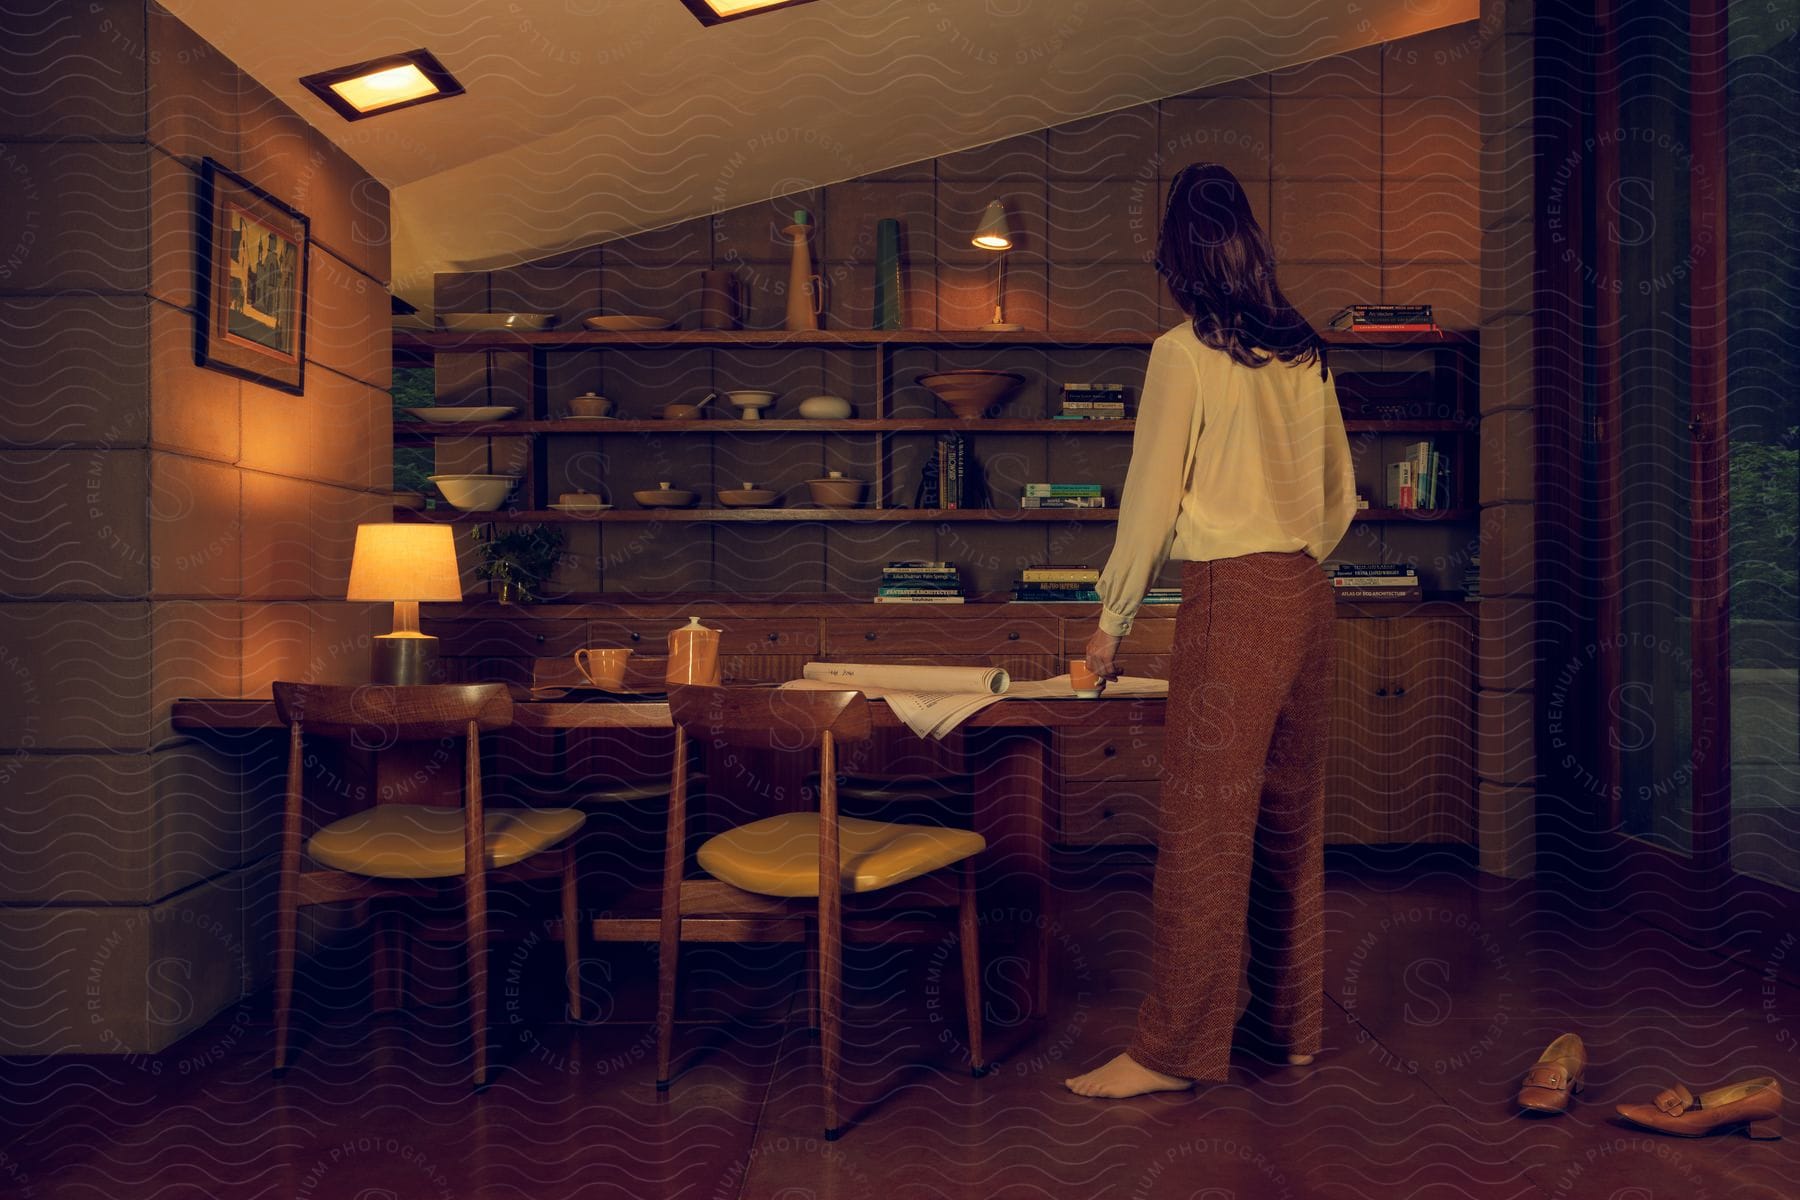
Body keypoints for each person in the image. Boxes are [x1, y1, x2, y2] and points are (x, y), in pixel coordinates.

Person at [1063, 162, 1357, 1099]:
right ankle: (1289, 1030)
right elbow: (1340, 498)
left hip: (1236, 594)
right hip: (1311, 592)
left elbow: (1148, 503)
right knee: (1285, 820)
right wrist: (1293, 551)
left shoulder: (1182, 353)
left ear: (1178, 257)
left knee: (1203, 828)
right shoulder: (1305, 351)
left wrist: (1111, 623)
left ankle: (1171, 1053)